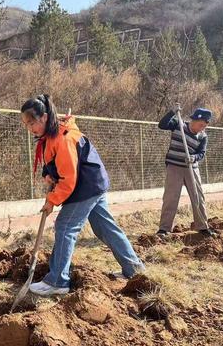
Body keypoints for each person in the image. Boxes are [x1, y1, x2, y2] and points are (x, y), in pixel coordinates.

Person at [20, 94, 145, 297]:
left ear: (43, 117)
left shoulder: (63, 138)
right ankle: (135, 270)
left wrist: (52, 201)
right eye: (26, 124)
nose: (29, 128)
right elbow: (55, 163)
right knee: (105, 228)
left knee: (65, 226)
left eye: (32, 122)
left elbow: (69, 178)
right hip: (93, 183)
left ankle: (58, 281)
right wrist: (48, 174)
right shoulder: (51, 136)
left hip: (85, 186)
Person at [157, 105, 216, 237]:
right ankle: (164, 229)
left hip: (191, 169)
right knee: (170, 198)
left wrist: (194, 157)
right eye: (200, 125)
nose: (202, 128)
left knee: (198, 197)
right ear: (193, 121)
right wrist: (172, 112)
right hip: (174, 167)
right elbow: (162, 125)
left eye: (204, 126)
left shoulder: (203, 136)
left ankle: (202, 227)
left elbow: (201, 153)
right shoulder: (179, 125)